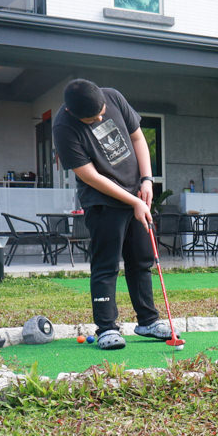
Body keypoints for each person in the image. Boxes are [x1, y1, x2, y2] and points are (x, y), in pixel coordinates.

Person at [52, 78, 172, 350]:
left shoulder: (113, 97)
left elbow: (137, 137)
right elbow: (90, 176)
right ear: (72, 112)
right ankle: (106, 328)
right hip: (102, 203)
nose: (100, 119)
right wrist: (133, 201)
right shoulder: (63, 128)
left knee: (141, 260)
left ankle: (148, 321)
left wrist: (147, 180)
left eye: (101, 112)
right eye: (92, 119)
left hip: (136, 193)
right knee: (106, 265)